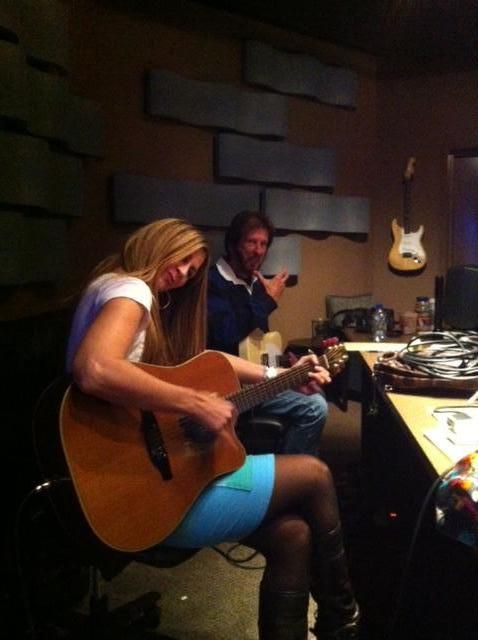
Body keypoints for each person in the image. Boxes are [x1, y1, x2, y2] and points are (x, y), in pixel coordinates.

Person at [66, 218, 360, 640]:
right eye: (181, 259)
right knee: (315, 475)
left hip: (124, 480)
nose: (184, 273)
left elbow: (209, 360)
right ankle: (345, 618)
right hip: (148, 491)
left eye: (192, 269)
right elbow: (93, 368)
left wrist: (280, 375)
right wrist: (193, 402)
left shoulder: (109, 285)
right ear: (158, 242)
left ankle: (337, 623)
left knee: (292, 536)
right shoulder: (132, 290)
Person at [207, 210, 330, 456]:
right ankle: (291, 472)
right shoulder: (213, 282)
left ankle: (288, 460)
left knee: (317, 390)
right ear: (233, 244)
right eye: (251, 242)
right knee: (315, 407)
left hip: (257, 376)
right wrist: (267, 301)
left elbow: (256, 340)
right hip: (230, 386)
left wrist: (284, 365)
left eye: (263, 244)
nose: (258, 251)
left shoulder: (253, 283)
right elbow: (225, 337)